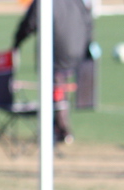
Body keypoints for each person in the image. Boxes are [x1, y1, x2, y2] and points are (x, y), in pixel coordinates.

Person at [13, 0, 94, 144]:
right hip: (77, 50)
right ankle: (60, 127)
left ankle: (61, 129)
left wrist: (17, 42)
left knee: (55, 87)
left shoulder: (43, 3)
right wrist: (87, 45)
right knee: (60, 87)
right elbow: (88, 22)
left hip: (56, 52)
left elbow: (30, 23)